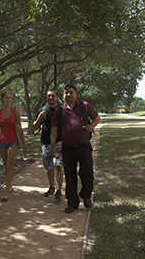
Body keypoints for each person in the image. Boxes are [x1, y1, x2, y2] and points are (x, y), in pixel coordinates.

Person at [50, 84, 101, 214]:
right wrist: (52, 146)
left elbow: (97, 118)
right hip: (67, 148)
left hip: (84, 147)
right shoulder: (59, 111)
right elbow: (54, 130)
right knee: (70, 175)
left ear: (76, 93)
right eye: (66, 93)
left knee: (87, 174)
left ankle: (85, 196)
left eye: (71, 92)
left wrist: (91, 126)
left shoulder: (85, 106)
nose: (69, 95)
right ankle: (72, 203)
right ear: (63, 95)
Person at [0, 90, 26, 202]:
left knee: (10, 165)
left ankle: (6, 192)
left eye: (10, 98)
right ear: (2, 99)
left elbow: (19, 128)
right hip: (2, 142)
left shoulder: (15, 112)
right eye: (7, 98)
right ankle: (10, 185)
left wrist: (23, 143)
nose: (9, 100)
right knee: (6, 165)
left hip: (13, 142)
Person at [33, 89, 64, 201]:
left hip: (59, 142)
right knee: (49, 166)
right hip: (45, 142)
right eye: (49, 96)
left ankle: (59, 190)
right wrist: (40, 117)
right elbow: (35, 127)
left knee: (58, 165)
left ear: (57, 97)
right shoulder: (42, 110)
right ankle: (51, 187)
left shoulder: (61, 110)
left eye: (53, 96)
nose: (51, 98)